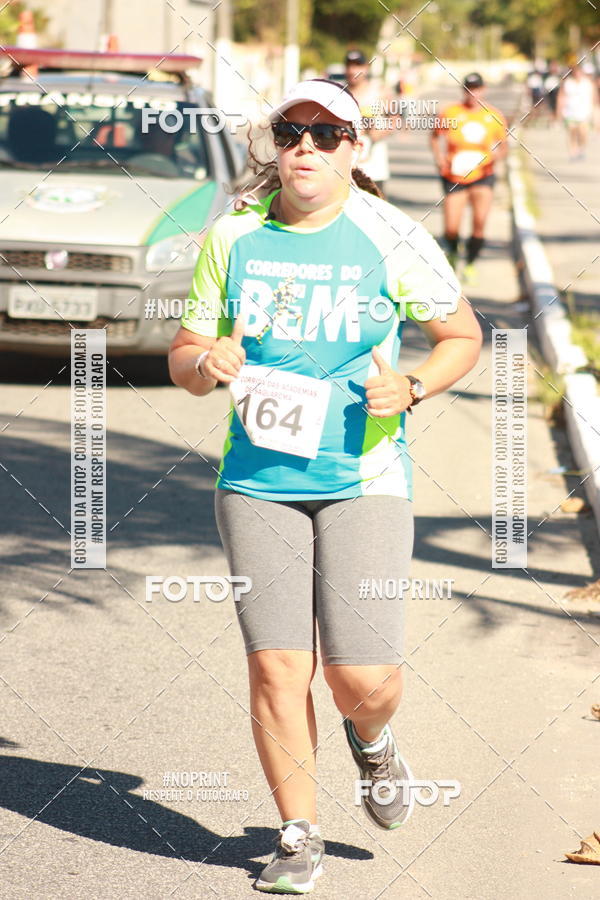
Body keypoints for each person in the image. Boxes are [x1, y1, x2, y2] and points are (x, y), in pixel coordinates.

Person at [168, 78, 482, 894]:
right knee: (277, 666)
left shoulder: (391, 235)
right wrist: (208, 365)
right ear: (274, 145)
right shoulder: (233, 238)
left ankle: (372, 742)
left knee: (364, 681)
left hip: (365, 477)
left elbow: (461, 335)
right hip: (256, 480)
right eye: (292, 131)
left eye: (327, 133)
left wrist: (412, 388)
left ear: (355, 149)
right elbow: (185, 352)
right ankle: (297, 833)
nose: (306, 145)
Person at [431, 72, 508, 283]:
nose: (472, 93)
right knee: (451, 226)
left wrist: (495, 156)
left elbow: (503, 146)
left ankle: (471, 264)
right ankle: (454, 253)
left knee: (479, 223)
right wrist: (439, 159)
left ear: (484, 90)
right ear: (463, 91)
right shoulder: (450, 113)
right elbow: (435, 137)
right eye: (468, 89)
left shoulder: (494, 116)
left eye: (476, 89)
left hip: (483, 175)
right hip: (455, 175)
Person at [343, 49, 398, 196]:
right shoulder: (340, 94)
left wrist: (376, 134)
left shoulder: (380, 92)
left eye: (357, 65)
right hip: (346, 167)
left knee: (375, 212)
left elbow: (395, 120)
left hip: (374, 167)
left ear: (366, 68)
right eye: (349, 65)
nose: (352, 70)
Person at [557, 63, 598, 160]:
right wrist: (559, 111)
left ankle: (581, 149)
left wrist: (595, 113)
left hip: (584, 112)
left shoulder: (588, 83)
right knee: (572, 131)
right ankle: (573, 151)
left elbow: (594, 98)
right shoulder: (567, 83)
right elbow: (561, 97)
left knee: (582, 132)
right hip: (570, 112)